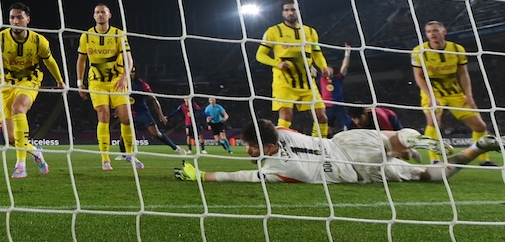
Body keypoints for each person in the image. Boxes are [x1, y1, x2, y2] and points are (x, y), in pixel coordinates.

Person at [175, 119, 498, 184]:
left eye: (252, 146)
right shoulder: (282, 132)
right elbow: (272, 126)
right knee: (393, 140)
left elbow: (240, 176)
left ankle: (473, 148)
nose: (247, 150)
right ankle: (410, 140)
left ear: (270, 148)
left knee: (429, 176)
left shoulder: (282, 170)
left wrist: (202, 175)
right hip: (347, 140)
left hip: (357, 168)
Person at [0, 2, 65, 179]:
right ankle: (35, 151)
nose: (15, 21)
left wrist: (60, 81)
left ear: (27, 19)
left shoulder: (39, 41)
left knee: (18, 108)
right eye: (12, 18)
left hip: (29, 81)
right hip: (5, 84)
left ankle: (20, 165)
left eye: (19, 17)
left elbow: (50, 61)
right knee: (10, 138)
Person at [411, 20, 495, 165]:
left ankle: (484, 161)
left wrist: (469, 96)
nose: (432, 34)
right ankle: (435, 160)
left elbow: (463, 74)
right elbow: (418, 76)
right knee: (433, 121)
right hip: (432, 91)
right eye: (429, 31)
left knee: (479, 126)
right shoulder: (419, 51)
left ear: (444, 32)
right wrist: (431, 96)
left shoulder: (457, 49)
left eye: (435, 30)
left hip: (454, 92)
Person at [256, 1, 332, 136]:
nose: (290, 13)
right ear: (282, 13)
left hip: (307, 81)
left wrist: (323, 67)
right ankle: (281, 145)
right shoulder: (273, 31)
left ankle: (319, 146)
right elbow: (260, 55)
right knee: (286, 116)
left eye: (293, 9)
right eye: (286, 10)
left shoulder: (310, 32)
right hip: (284, 81)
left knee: (322, 117)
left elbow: (317, 53)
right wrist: (276, 63)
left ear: (299, 11)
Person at [75, 3, 135, 171]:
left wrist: (125, 77)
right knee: (103, 116)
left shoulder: (118, 34)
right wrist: (79, 82)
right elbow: (81, 60)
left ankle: (130, 154)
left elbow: (129, 59)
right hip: (97, 82)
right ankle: (105, 158)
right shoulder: (86, 36)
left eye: (103, 12)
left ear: (109, 15)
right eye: (97, 12)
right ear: (94, 16)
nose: (100, 14)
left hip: (117, 80)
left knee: (126, 118)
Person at [124, 67, 184, 162]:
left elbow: (153, 99)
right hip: (127, 112)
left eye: (133, 72)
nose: (131, 74)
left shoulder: (142, 84)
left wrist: (161, 115)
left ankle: (176, 148)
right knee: (124, 134)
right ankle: (124, 155)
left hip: (142, 112)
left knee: (156, 134)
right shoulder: (121, 83)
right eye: (130, 71)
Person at [318, 45, 353, 136]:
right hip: (327, 107)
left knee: (348, 124)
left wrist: (347, 53)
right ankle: (327, 141)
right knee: (327, 128)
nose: (328, 71)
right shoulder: (321, 78)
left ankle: (350, 138)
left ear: (333, 71)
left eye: (329, 69)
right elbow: (310, 68)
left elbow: (345, 66)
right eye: (326, 69)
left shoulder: (338, 78)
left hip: (339, 106)